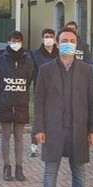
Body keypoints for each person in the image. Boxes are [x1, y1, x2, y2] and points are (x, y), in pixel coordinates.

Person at [33, 27, 93, 187]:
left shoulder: (86, 70)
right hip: (53, 129)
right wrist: (39, 128)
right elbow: (39, 102)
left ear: (76, 43)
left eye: (71, 40)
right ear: (57, 42)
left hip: (78, 129)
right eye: (63, 40)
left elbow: (92, 102)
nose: (67, 43)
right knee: (50, 172)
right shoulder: (46, 70)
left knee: (79, 172)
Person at [0, 31, 35, 182]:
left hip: (21, 103)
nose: (16, 43)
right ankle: (7, 167)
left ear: (22, 42)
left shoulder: (29, 61)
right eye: (13, 40)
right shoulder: (1, 60)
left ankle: (19, 167)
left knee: (19, 137)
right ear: (8, 41)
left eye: (18, 40)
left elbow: (29, 80)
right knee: (5, 137)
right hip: (5, 102)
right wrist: (2, 97)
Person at [29, 28, 58, 158]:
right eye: (46, 36)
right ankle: (34, 145)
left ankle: (54, 144)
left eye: (51, 36)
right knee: (38, 118)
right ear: (42, 38)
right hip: (40, 90)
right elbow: (31, 73)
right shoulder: (35, 54)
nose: (49, 39)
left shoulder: (59, 53)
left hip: (57, 91)